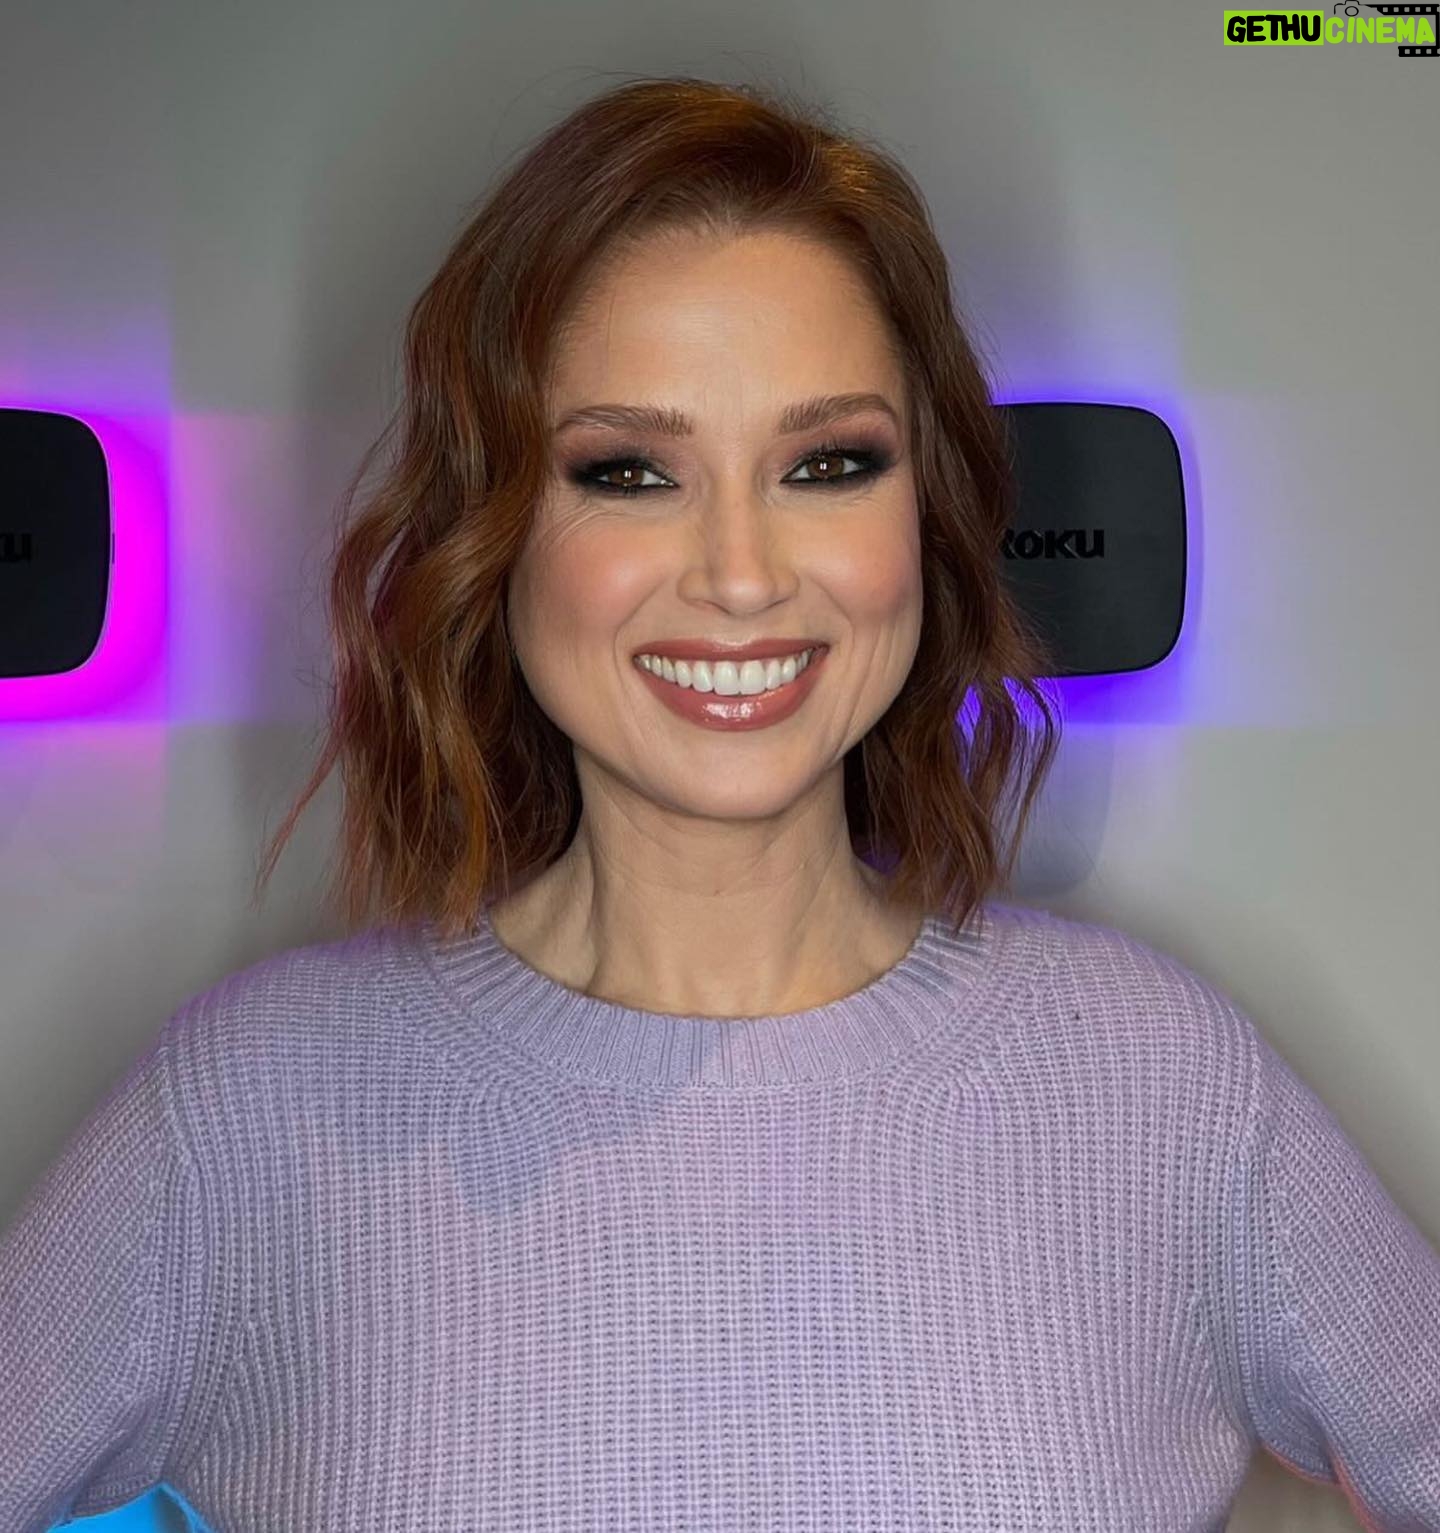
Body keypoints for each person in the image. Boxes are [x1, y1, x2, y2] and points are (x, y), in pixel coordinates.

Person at [2, 72, 1438, 1533]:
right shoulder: (246, 1110)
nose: (743, 575)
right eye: (630, 471)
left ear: (926, 514)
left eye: (828, 464)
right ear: (493, 533)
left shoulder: (1159, 1082)